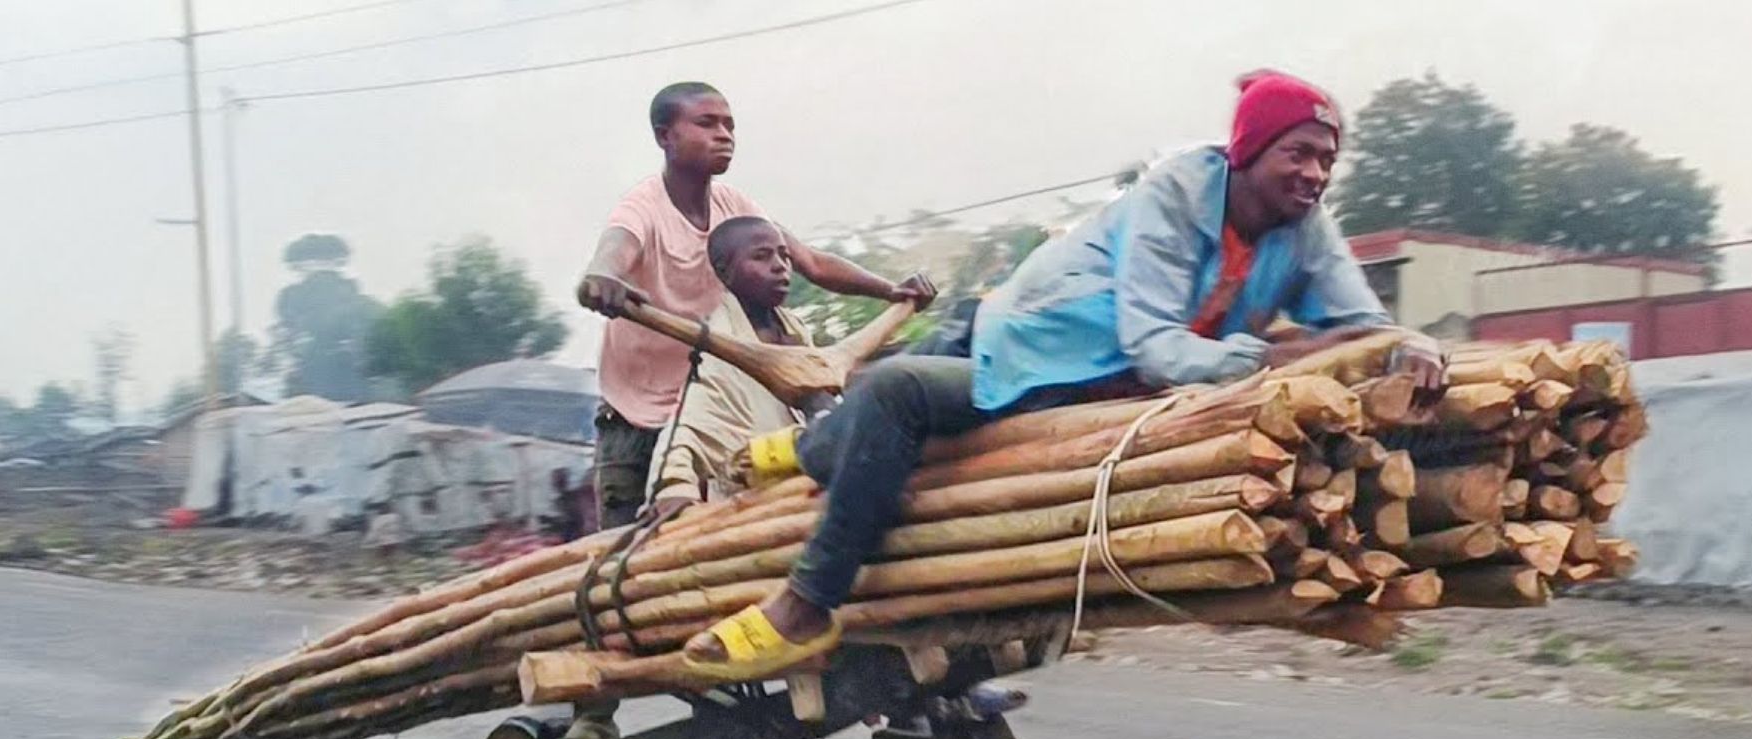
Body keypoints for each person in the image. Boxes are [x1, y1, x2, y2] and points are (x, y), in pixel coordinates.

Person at [678, 70, 1444, 681]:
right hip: (1043, 352)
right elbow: (1153, 342)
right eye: (1298, 153)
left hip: (1121, 384)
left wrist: (1412, 345)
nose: (1314, 174)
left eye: (1326, 160)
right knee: (893, 394)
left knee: (896, 390)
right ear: (1247, 152)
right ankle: (809, 598)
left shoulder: (1304, 229)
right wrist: (1272, 357)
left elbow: (1362, 321)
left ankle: (802, 448)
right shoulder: (1178, 191)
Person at [576, 81, 934, 530]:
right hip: (638, 419)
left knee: (723, 537)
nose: (724, 134)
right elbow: (614, 250)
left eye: (729, 125)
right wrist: (602, 278)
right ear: (665, 136)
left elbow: (813, 263)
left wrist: (890, 292)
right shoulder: (643, 208)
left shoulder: (736, 208)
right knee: (630, 553)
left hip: (715, 399)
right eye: (707, 124)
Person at [643, 215, 814, 517]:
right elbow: (689, 428)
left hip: (810, 492)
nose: (780, 266)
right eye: (761, 256)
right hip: (753, 512)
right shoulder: (722, 344)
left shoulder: (797, 331)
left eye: (784, 255)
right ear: (724, 272)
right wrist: (673, 488)